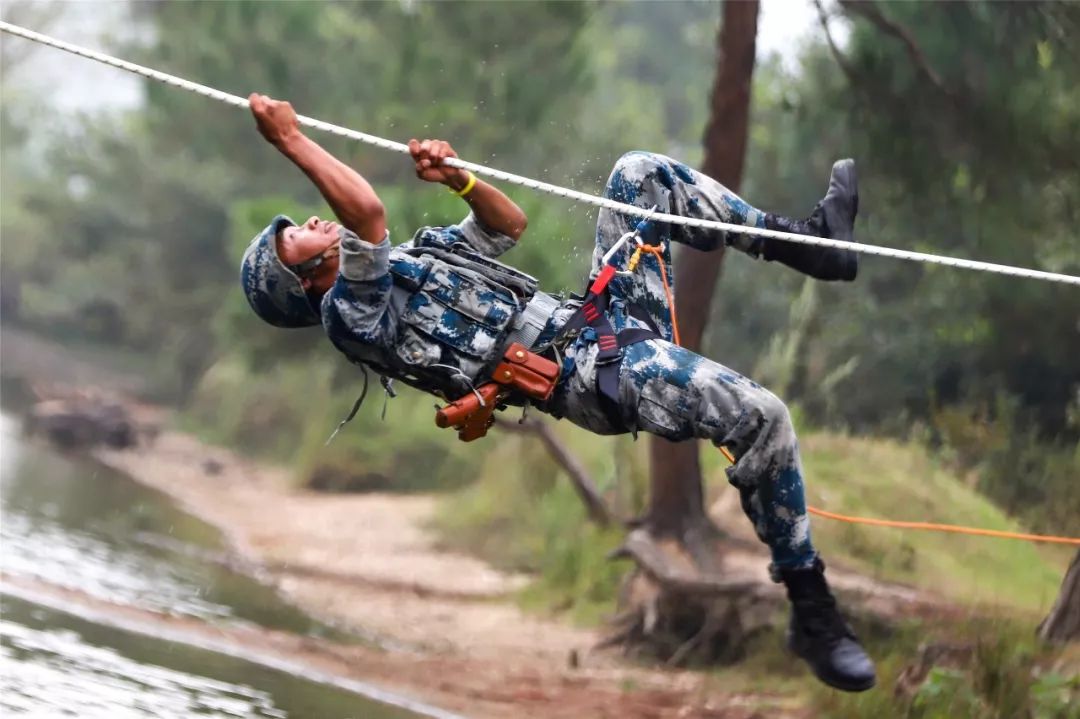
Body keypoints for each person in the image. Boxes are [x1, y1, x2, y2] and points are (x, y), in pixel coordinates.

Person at [240, 93, 875, 692]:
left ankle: (808, 243)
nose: (310, 220)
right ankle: (813, 614)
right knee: (762, 416)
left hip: (602, 322)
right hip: (594, 378)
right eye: (295, 235)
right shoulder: (351, 315)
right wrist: (291, 139)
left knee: (640, 174)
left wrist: (458, 179)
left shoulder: (416, 258)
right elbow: (367, 214)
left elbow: (506, 226)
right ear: (299, 282)